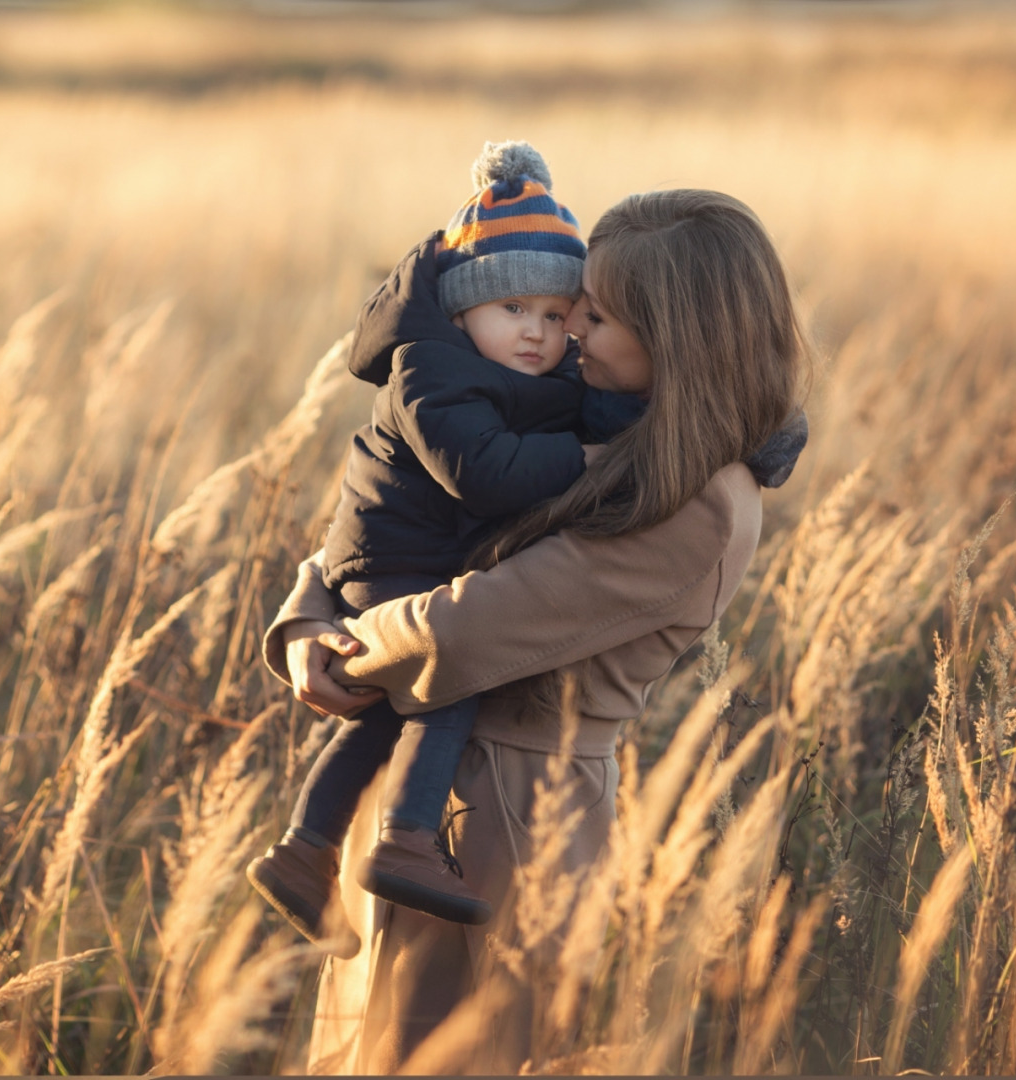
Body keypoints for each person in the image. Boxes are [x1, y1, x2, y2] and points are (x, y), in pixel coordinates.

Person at [261, 188, 809, 1072]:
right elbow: (397, 525)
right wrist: (303, 624)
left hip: (514, 814)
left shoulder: (700, 499)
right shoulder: (576, 413)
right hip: (409, 792)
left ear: (674, 335)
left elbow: (466, 629)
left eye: (595, 313)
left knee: (452, 1054)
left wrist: (343, 646)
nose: (571, 331)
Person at [248, 141, 655, 949]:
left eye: (554, 316)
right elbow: (485, 472)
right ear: (464, 307)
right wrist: (588, 462)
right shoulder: (431, 369)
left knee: (374, 720)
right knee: (448, 680)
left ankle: (305, 850)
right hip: (393, 562)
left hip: (413, 561)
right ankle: (406, 837)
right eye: (513, 312)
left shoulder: (516, 370)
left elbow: (601, 412)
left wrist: (739, 428)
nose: (537, 334)